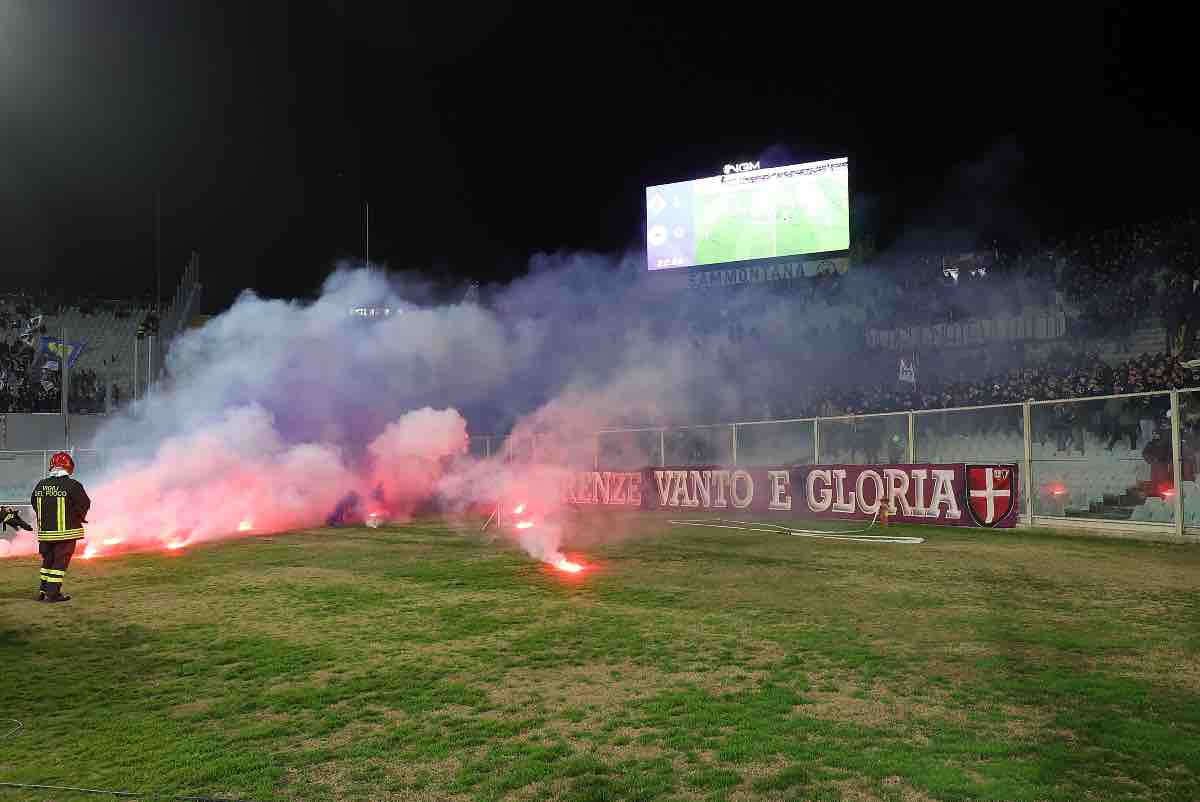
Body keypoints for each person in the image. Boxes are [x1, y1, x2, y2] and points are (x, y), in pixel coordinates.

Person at [31, 451, 91, 602]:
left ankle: (43, 590)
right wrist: (77, 517)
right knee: (59, 564)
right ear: (69, 467)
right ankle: (53, 593)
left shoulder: (41, 484)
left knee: (48, 562)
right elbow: (84, 503)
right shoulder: (73, 485)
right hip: (66, 534)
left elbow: (34, 503)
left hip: (45, 534)